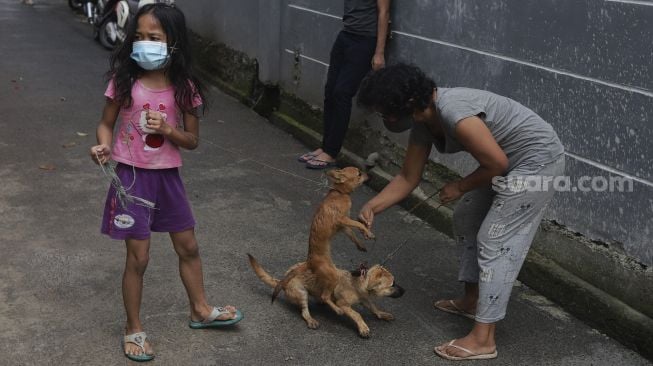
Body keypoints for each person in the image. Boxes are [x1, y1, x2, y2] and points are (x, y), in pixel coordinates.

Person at [356, 63, 565, 361]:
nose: (383, 117)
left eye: (383, 111)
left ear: (407, 104)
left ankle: (484, 340)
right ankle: (472, 299)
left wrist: (461, 186)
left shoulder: (455, 112)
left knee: (495, 240)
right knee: (466, 217)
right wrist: (371, 206)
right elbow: (408, 177)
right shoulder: (423, 122)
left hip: (538, 162)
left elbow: (497, 164)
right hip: (507, 162)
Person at [89, 4, 242, 362]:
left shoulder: (184, 87)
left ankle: (201, 310)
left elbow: (192, 141)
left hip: (168, 178)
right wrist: (103, 145)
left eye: (153, 38)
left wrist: (169, 129)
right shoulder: (123, 81)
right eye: (138, 37)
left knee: (188, 247)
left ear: (173, 43)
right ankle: (134, 328)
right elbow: (105, 124)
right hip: (131, 180)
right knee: (138, 259)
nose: (144, 44)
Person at [298, 0, 391, 169]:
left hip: (365, 40)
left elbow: (384, 13)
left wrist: (379, 52)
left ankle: (332, 153)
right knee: (330, 91)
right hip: (345, 36)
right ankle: (325, 146)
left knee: (342, 93)